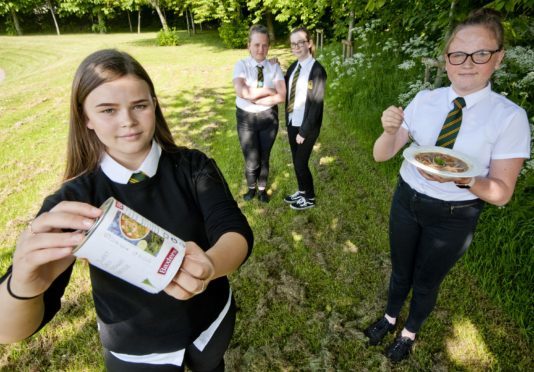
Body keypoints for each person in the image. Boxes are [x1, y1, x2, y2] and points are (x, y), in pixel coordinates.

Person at [0, 49, 254, 371]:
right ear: (86, 119)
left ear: (154, 105)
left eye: (139, 105)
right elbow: (9, 331)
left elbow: (234, 230)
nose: (128, 121)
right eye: (107, 109)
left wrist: (211, 265)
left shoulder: (193, 167)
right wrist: (22, 286)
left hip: (209, 326)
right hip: (137, 351)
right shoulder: (74, 203)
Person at [365, 9, 531, 362]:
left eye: (481, 53)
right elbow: (382, 155)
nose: (467, 63)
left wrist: (465, 178)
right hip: (407, 200)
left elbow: (501, 193)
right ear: (446, 59)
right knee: (400, 269)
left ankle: (409, 332)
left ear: (498, 58)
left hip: (454, 215)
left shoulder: (510, 117)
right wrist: (390, 131)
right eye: (458, 54)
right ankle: (389, 316)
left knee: (426, 280)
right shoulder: (426, 100)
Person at [232, 24, 286, 203]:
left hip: (268, 118)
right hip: (246, 119)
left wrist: (260, 97)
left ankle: (262, 189)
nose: (260, 49)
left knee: (264, 157)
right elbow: (242, 92)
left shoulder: (274, 67)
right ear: (249, 45)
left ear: (268, 46)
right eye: (256, 44)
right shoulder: (241, 65)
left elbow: (283, 95)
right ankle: (251, 188)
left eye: (264, 45)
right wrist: (271, 90)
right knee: (251, 160)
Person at [283, 27, 327, 210]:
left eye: (300, 42)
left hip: (307, 126)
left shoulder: (317, 70)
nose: (296, 46)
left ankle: (309, 198)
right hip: (293, 121)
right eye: (293, 43)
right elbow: (283, 87)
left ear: (309, 44)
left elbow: (316, 105)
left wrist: (304, 131)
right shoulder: (294, 67)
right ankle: (302, 191)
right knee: (296, 161)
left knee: (301, 163)